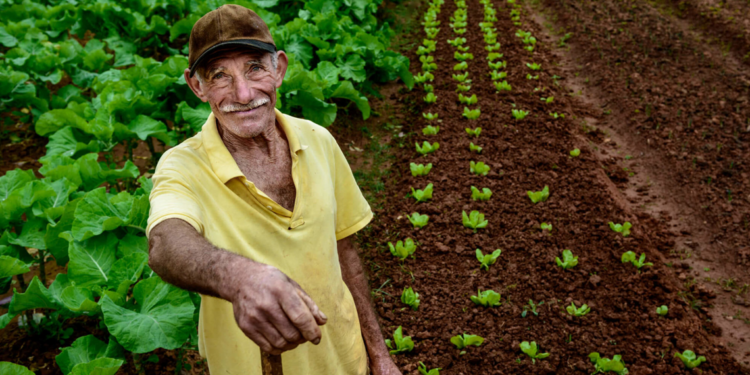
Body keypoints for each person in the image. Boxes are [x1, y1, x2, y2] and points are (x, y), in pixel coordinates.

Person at [145, 4, 401, 375]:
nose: (245, 94)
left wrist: (379, 354)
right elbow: (165, 243)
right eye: (220, 76)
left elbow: (344, 251)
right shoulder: (181, 166)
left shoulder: (318, 140)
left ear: (278, 69)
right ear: (197, 86)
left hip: (345, 361)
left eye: (254, 67)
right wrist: (238, 276)